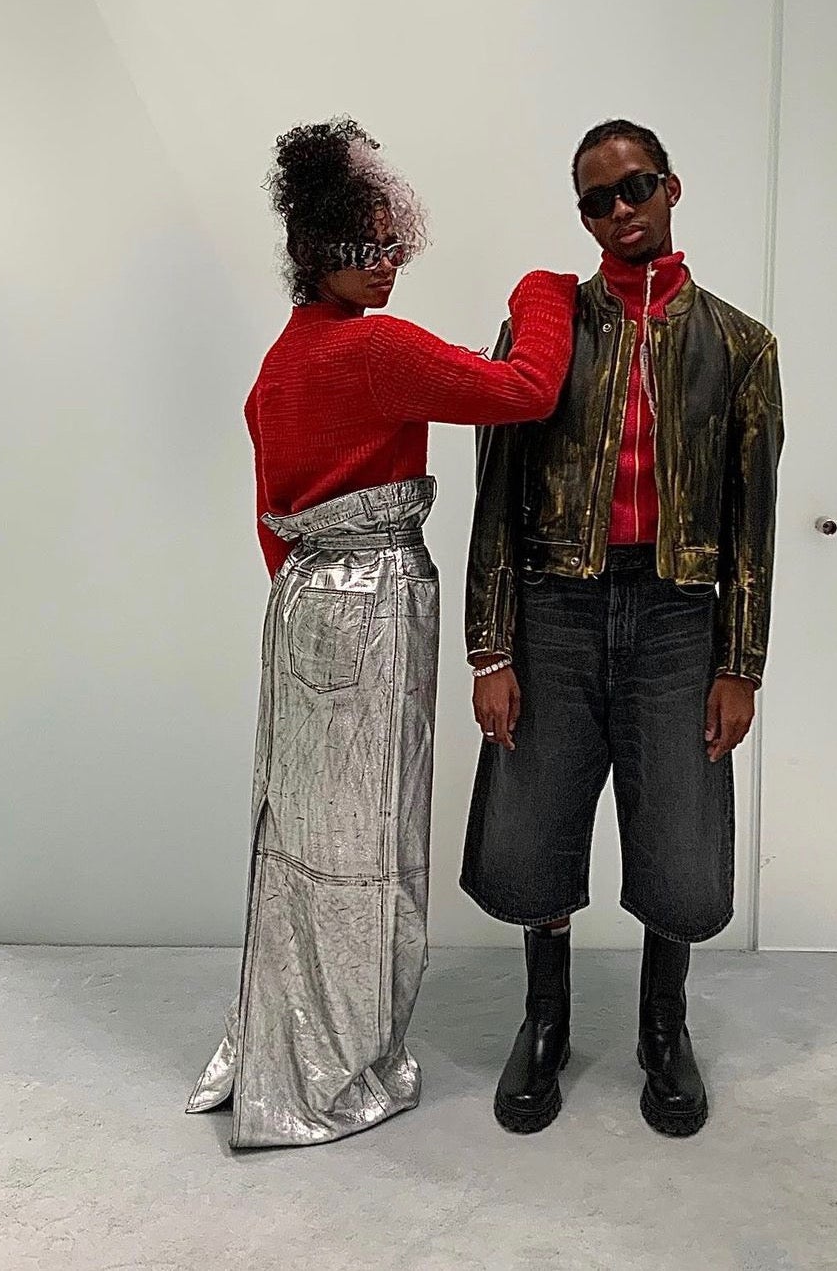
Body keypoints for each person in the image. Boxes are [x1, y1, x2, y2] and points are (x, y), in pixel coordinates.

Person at [187, 118, 576, 1149]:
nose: (388, 262)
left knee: (304, 831)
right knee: (373, 834)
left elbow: (273, 515)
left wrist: (311, 588)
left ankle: (289, 1038)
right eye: (366, 245)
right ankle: (338, 1062)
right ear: (316, 251)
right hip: (374, 604)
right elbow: (526, 392)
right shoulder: (376, 351)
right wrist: (543, 292)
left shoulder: (282, 361)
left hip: (302, 603)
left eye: (394, 241)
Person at [462, 118, 784, 1137]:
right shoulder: (545, 332)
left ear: (671, 187)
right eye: (596, 200)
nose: (619, 210)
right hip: (555, 605)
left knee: (680, 843)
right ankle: (545, 1021)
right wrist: (491, 646)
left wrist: (741, 664)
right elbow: (496, 491)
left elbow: (754, 519)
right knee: (534, 826)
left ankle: (662, 1027)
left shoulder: (740, 346)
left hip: (679, 616)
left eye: (634, 186)